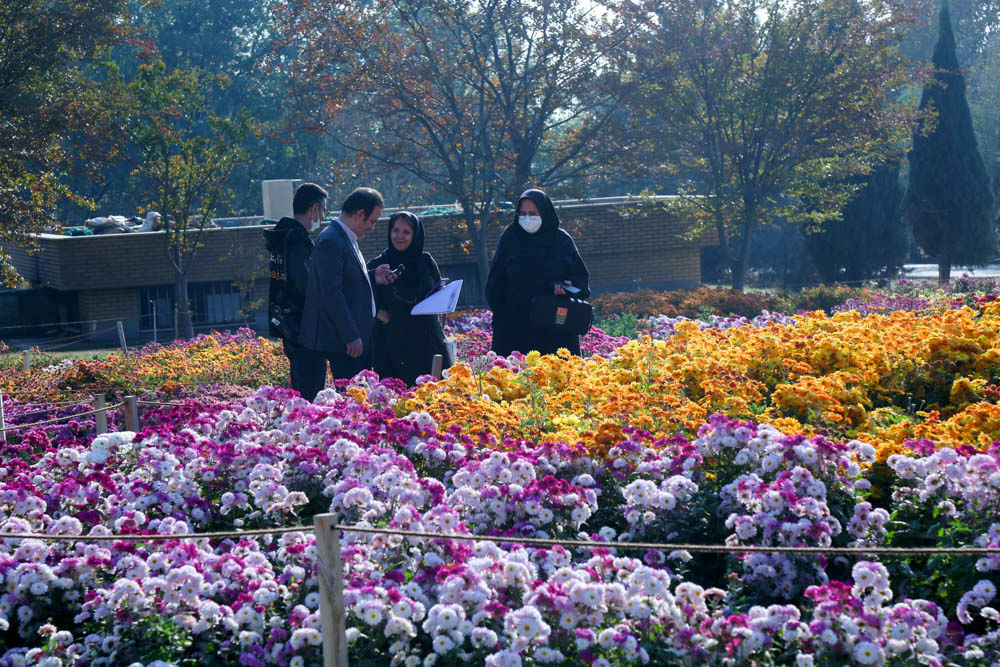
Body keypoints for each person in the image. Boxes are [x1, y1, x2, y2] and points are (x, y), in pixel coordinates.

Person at [300, 187, 396, 385]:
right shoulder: (331, 241)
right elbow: (331, 294)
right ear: (360, 214)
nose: (372, 228)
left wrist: (371, 277)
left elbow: (346, 282)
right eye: (372, 221)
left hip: (354, 340)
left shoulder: (345, 237)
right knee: (352, 402)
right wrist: (351, 335)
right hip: (345, 344)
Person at [486, 188, 590, 356]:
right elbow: (495, 284)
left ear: (545, 212)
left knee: (556, 379)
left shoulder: (561, 240)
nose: (528, 218)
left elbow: (581, 281)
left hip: (555, 328)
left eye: (533, 213)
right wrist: (504, 315)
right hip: (516, 328)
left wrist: (569, 287)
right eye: (523, 213)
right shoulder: (510, 239)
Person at [367, 211, 454, 385]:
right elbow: (364, 297)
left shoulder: (426, 262)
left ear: (415, 235)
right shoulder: (378, 265)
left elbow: (437, 290)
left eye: (406, 232)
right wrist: (377, 313)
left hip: (427, 340)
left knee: (432, 397)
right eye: (396, 230)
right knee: (396, 396)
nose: (400, 236)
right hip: (392, 342)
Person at [263, 182, 328, 401]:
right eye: (323, 210)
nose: (323, 216)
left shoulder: (282, 238)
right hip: (305, 327)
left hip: (288, 325)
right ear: (314, 209)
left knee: (301, 387)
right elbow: (303, 286)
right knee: (312, 393)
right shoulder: (298, 241)